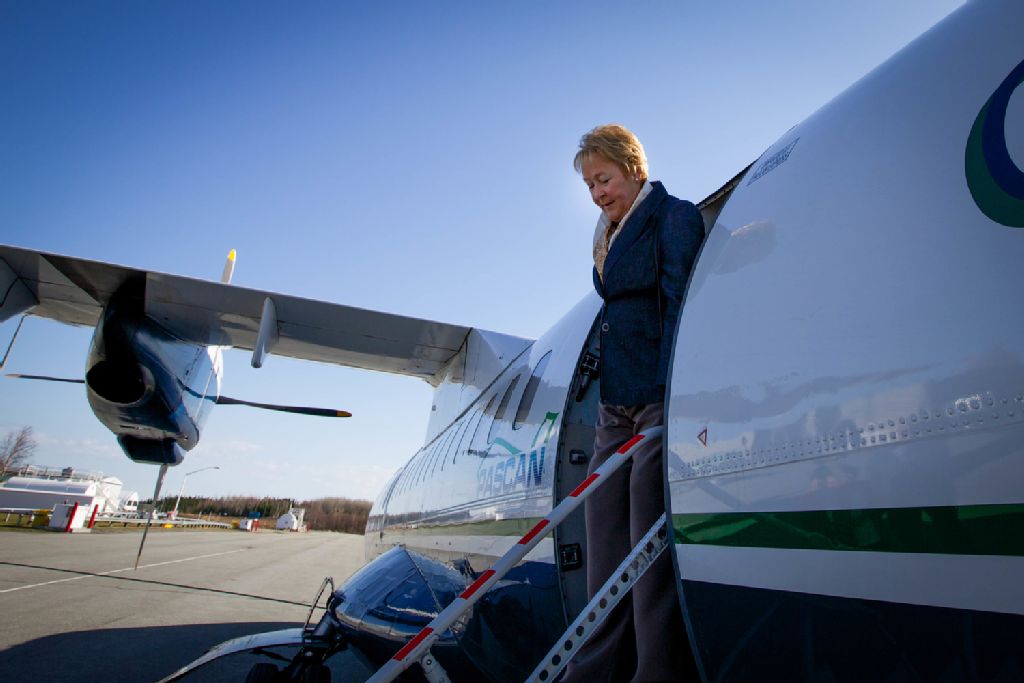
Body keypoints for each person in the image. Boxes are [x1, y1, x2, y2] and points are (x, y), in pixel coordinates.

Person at [562, 124, 704, 682]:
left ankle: (655, 670)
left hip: (653, 399)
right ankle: (596, 668)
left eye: (604, 179)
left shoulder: (673, 217)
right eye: (590, 186)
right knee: (603, 537)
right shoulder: (608, 235)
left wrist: (672, 395)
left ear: (634, 169)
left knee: (648, 548)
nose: (598, 193)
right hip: (614, 404)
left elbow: (679, 304)